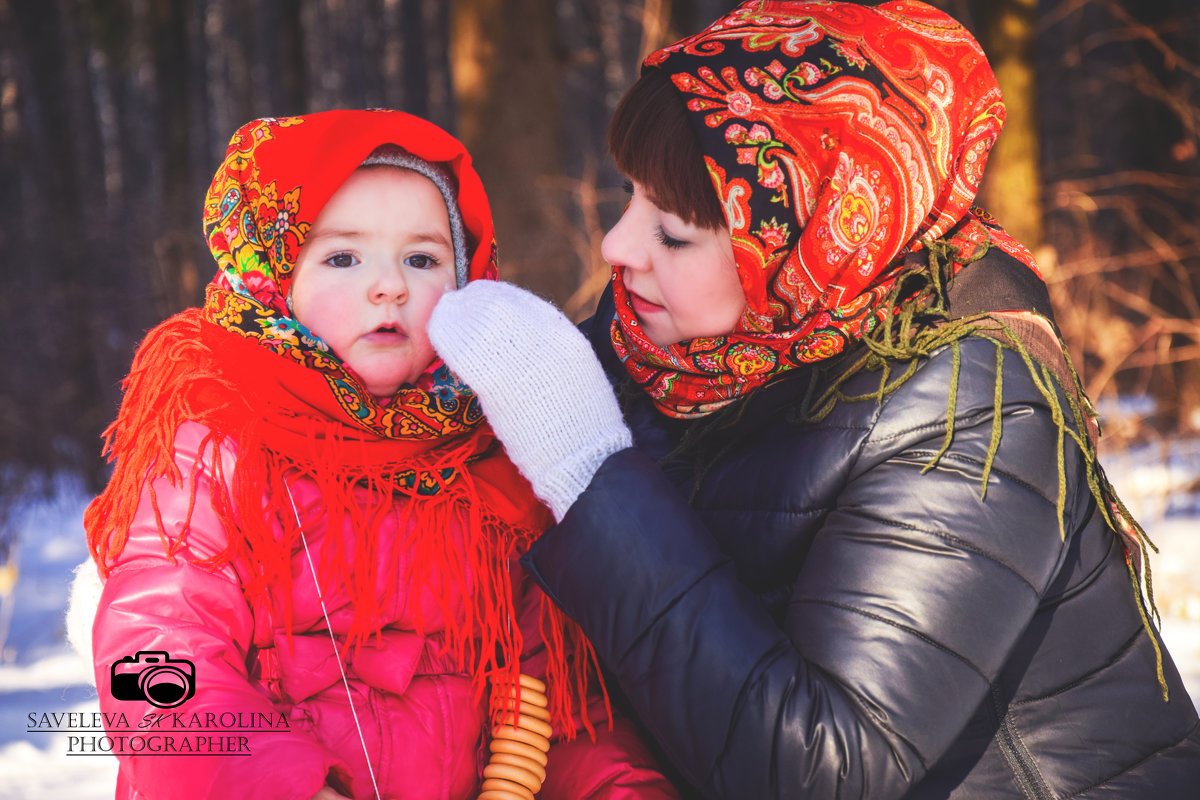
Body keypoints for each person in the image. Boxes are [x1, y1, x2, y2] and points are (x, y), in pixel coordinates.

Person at [427, 2, 1200, 798]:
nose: (616, 247)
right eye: (630, 198)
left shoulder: (975, 403)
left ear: (806, 241)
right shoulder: (680, 349)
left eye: (675, 232)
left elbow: (825, 773)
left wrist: (590, 472)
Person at [80, 109, 676, 800]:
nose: (389, 284)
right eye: (343, 257)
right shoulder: (220, 441)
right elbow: (159, 655)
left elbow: (563, 706)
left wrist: (620, 790)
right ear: (273, 279)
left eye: (422, 259)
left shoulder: (492, 469)